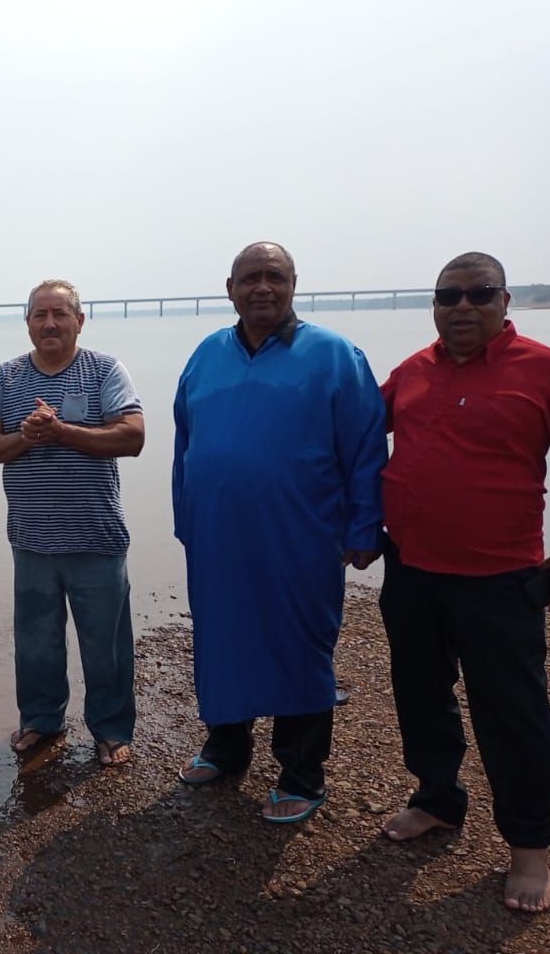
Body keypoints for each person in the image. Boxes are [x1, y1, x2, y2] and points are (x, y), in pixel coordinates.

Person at [171, 241, 387, 823]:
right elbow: (184, 443)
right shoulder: (205, 355)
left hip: (303, 535)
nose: (261, 287)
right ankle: (226, 747)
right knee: (222, 639)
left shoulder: (336, 355)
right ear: (230, 288)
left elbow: (366, 450)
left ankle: (300, 773)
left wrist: (365, 526)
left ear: (294, 285)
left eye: (274, 277)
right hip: (217, 537)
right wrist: (185, 515)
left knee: (299, 646)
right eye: (250, 278)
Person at [378, 251, 550, 913]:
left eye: (478, 294)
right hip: (413, 569)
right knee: (420, 694)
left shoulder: (544, 370)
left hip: (500, 579)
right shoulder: (413, 371)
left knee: (513, 715)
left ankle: (530, 847)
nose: (461, 307)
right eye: (448, 295)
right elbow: (362, 437)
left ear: (504, 301)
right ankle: (437, 799)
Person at [0, 278, 144, 767]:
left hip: (98, 537)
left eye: (59, 314)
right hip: (32, 540)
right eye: (39, 315)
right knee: (36, 642)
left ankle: (111, 729)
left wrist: (60, 431)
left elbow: (132, 436)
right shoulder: (5, 378)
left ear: (79, 321)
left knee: (106, 645)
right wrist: (26, 437)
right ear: (27, 323)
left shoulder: (105, 370)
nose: (49, 323)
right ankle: (41, 721)